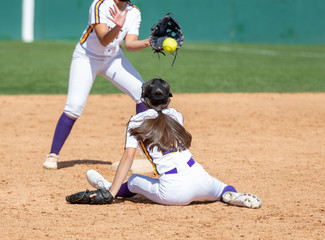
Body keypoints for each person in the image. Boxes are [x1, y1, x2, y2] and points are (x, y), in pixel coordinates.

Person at [83, 78, 262, 208]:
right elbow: (160, 119)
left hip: (175, 191)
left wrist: (111, 195)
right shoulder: (177, 115)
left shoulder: (136, 121)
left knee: (135, 180)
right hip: (200, 177)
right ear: (168, 99)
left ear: (144, 100)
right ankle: (232, 196)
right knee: (224, 188)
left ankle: (109, 188)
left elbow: (128, 157)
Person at [43, 0, 151, 169]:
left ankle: (145, 147)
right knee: (74, 106)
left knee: (144, 95)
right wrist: (117, 26)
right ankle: (53, 155)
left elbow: (129, 45)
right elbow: (103, 40)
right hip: (86, 58)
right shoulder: (100, 4)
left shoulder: (134, 11)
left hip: (113, 59)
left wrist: (148, 42)